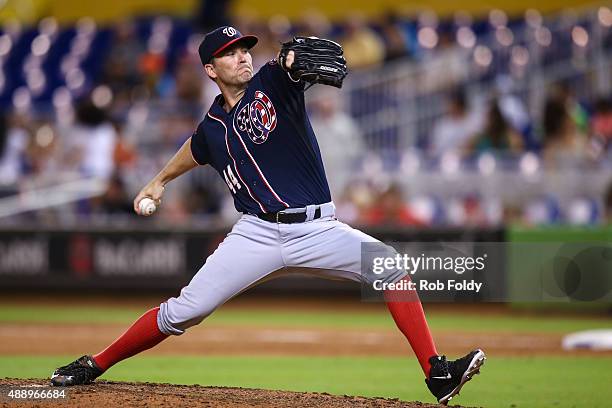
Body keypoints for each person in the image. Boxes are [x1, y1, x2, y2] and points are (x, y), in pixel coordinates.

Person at [49, 26, 485, 405]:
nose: (242, 56)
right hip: (255, 234)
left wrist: (292, 61)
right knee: (184, 311)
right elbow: (195, 149)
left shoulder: (274, 82)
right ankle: (96, 363)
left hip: (317, 228)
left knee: (390, 266)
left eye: (244, 49)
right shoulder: (212, 127)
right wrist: (159, 180)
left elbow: (299, 64)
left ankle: (436, 373)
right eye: (230, 53)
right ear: (210, 69)